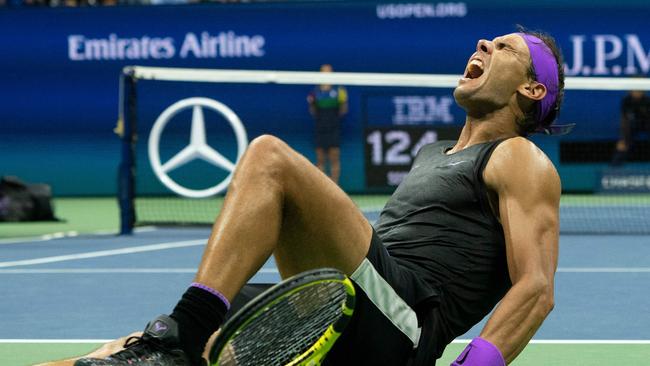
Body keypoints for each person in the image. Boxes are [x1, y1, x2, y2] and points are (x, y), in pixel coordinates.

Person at [72, 29, 564, 366]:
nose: (483, 43)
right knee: (128, 352)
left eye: (503, 48)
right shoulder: (433, 152)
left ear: (531, 87)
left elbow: (536, 290)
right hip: (346, 303)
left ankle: (186, 333)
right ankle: (179, 340)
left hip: (404, 324)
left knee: (270, 157)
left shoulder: (519, 156)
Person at [307, 64, 348, 184]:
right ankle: (323, 187)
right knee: (320, 160)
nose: (327, 74)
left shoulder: (339, 91)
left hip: (334, 128)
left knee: (334, 158)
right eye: (324, 72)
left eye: (329, 72)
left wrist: (343, 101)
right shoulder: (315, 92)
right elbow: (313, 112)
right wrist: (311, 103)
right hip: (320, 128)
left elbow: (343, 111)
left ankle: (335, 187)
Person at [611, 83, 650, 166]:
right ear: (630, 90)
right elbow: (624, 120)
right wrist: (623, 138)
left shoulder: (647, 101)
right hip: (632, 126)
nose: (637, 92)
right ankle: (614, 169)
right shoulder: (626, 101)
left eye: (639, 90)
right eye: (635, 90)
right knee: (622, 143)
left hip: (647, 124)